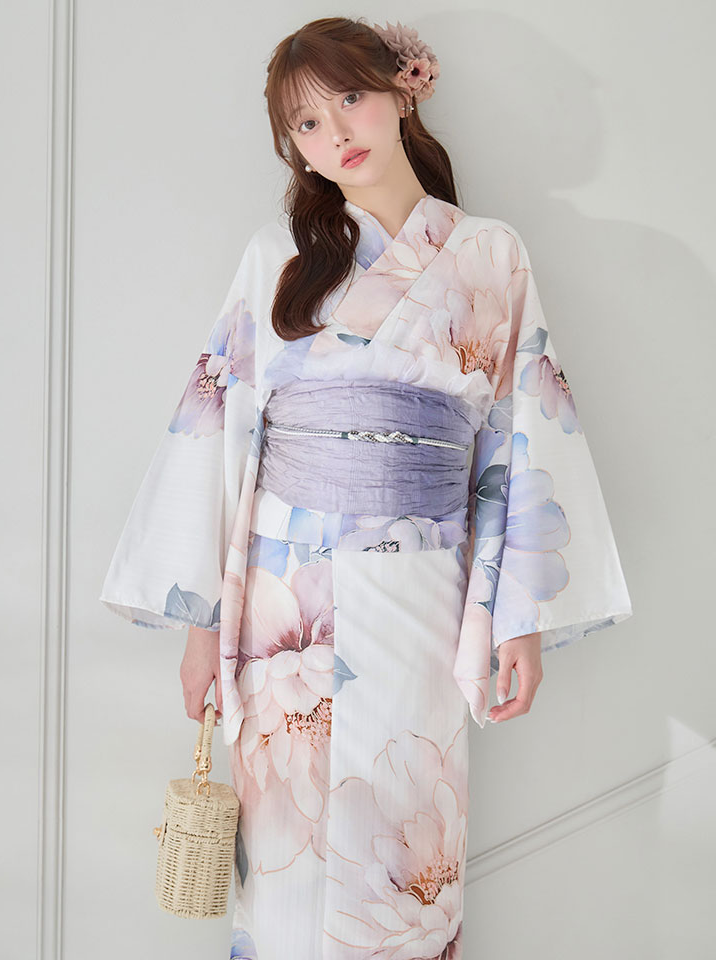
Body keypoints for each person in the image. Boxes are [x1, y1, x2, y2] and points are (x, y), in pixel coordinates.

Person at [100, 16, 633, 959]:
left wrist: (518, 617)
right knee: (287, 859)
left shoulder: (490, 253)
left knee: (406, 840)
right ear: (293, 149)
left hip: (423, 587)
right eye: (307, 123)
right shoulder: (279, 257)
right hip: (283, 600)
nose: (337, 132)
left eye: (351, 98)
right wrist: (201, 628)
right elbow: (218, 430)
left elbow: (522, 430)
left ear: (401, 93)